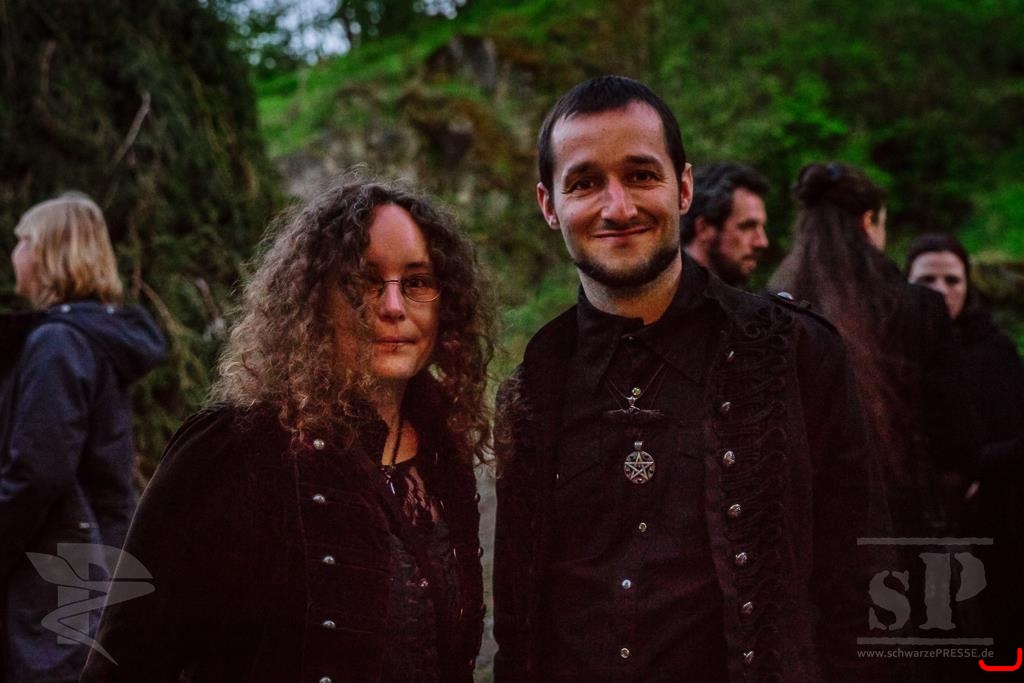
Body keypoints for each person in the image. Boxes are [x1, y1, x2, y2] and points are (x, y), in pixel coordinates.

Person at [493, 76, 887, 682]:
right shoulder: (532, 387)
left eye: (641, 175)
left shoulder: (796, 353)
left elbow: (859, 581)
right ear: (549, 205)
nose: (618, 207)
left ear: (683, 188)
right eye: (585, 183)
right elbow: (518, 622)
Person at [81, 179, 494, 682]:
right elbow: (124, 659)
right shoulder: (233, 448)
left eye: (417, 281)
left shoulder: (443, 454)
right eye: (363, 281)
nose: (392, 306)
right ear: (315, 300)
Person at [0, 193, 166, 681]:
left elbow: (37, 472)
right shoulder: (82, 339)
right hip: (82, 568)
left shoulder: (59, 343)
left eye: (23, 242)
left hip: (56, 576)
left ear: (49, 253)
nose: (15, 254)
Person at [769, 164, 974, 540]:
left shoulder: (774, 310)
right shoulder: (920, 309)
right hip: (900, 521)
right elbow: (956, 435)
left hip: (805, 526)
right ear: (868, 222)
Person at [906, 233, 1024, 664]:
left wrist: (977, 470)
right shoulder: (891, 352)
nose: (940, 291)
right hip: (914, 523)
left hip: (991, 523)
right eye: (927, 280)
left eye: (952, 280)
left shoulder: (994, 350)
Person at [681, 161, 770, 287]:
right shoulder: (664, 293)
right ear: (704, 229)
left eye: (761, 227)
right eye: (747, 227)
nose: (762, 242)